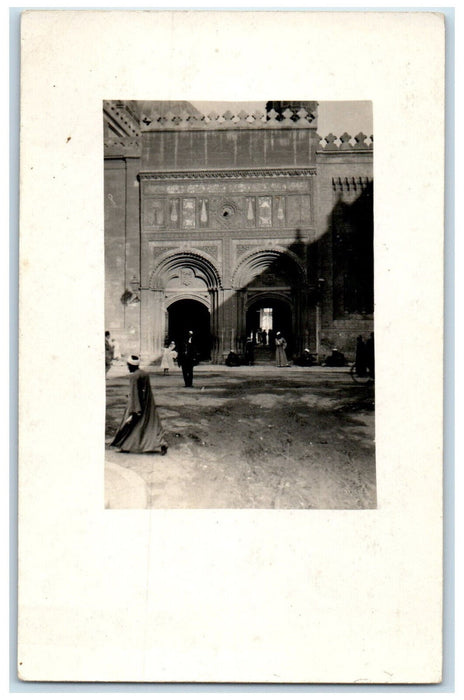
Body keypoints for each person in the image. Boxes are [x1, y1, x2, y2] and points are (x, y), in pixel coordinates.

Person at [110, 354, 167, 454]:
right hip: (148, 403)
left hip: (136, 404)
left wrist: (135, 409)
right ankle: (160, 443)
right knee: (150, 424)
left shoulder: (133, 376)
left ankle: (124, 445)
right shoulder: (144, 373)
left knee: (128, 425)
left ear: (131, 365)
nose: (127, 367)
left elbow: (135, 392)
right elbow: (144, 390)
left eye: (128, 365)